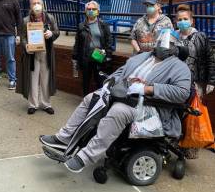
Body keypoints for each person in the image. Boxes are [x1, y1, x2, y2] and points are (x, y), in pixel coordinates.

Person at [40, 29, 191, 173]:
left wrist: (147, 89)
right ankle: (64, 138)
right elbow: (120, 72)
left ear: (175, 47)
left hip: (148, 106)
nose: (162, 46)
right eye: (159, 42)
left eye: (167, 44)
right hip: (123, 94)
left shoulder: (179, 67)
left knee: (118, 111)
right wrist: (110, 83)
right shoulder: (143, 56)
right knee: (90, 98)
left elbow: (182, 93)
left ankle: (85, 156)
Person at [176, 4, 215, 158]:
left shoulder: (201, 37)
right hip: (177, 83)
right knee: (176, 112)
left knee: (192, 115)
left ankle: (190, 148)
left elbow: (210, 60)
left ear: (192, 21)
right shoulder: (173, 36)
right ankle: (176, 142)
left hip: (195, 83)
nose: (182, 21)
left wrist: (211, 81)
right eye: (179, 19)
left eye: (185, 19)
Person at [17, 0, 60, 115]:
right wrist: (26, 46)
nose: (36, 5)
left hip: (46, 53)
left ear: (42, 5)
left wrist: (52, 34)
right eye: (33, 3)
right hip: (32, 55)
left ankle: (46, 104)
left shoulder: (50, 18)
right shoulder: (25, 20)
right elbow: (22, 37)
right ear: (30, 6)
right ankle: (33, 104)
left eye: (38, 3)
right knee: (33, 79)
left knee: (45, 79)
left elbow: (57, 32)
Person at [72, 1, 113, 96]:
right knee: (85, 81)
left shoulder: (103, 25)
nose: (91, 11)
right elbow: (77, 43)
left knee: (99, 81)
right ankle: (85, 99)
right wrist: (74, 57)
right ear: (86, 11)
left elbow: (109, 41)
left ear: (98, 12)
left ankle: (99, 101)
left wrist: (108, 55)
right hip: (85, 58)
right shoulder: (81, 26)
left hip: (99, 57)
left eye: (93, 9)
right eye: (89, 9)